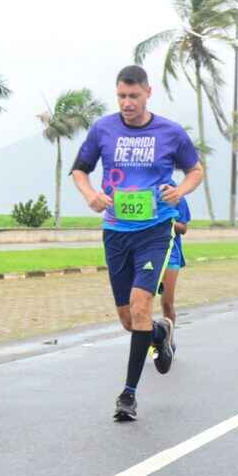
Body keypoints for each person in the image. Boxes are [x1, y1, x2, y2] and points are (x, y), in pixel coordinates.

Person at [71, 65, 203, 420]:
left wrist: (180, 191)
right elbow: (79, 169)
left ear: (148, 93)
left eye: (134, 96)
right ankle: (161, 333)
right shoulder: (103, 129)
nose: (127, 103)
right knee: (130, 320)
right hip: (115, 232)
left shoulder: (170, 132)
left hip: (155, 231)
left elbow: (196, 170)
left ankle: (127, 395)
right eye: (121, 96)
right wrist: (90, 194)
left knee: (141, 304)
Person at [160, 196, 191, 353]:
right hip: (146, 253)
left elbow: (183, 228)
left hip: (171, 253)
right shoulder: (143, 191)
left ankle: (168, 340)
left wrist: (165, 221)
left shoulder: (177, 197)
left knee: (167, 302)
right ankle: (152, 336)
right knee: (141, 302)